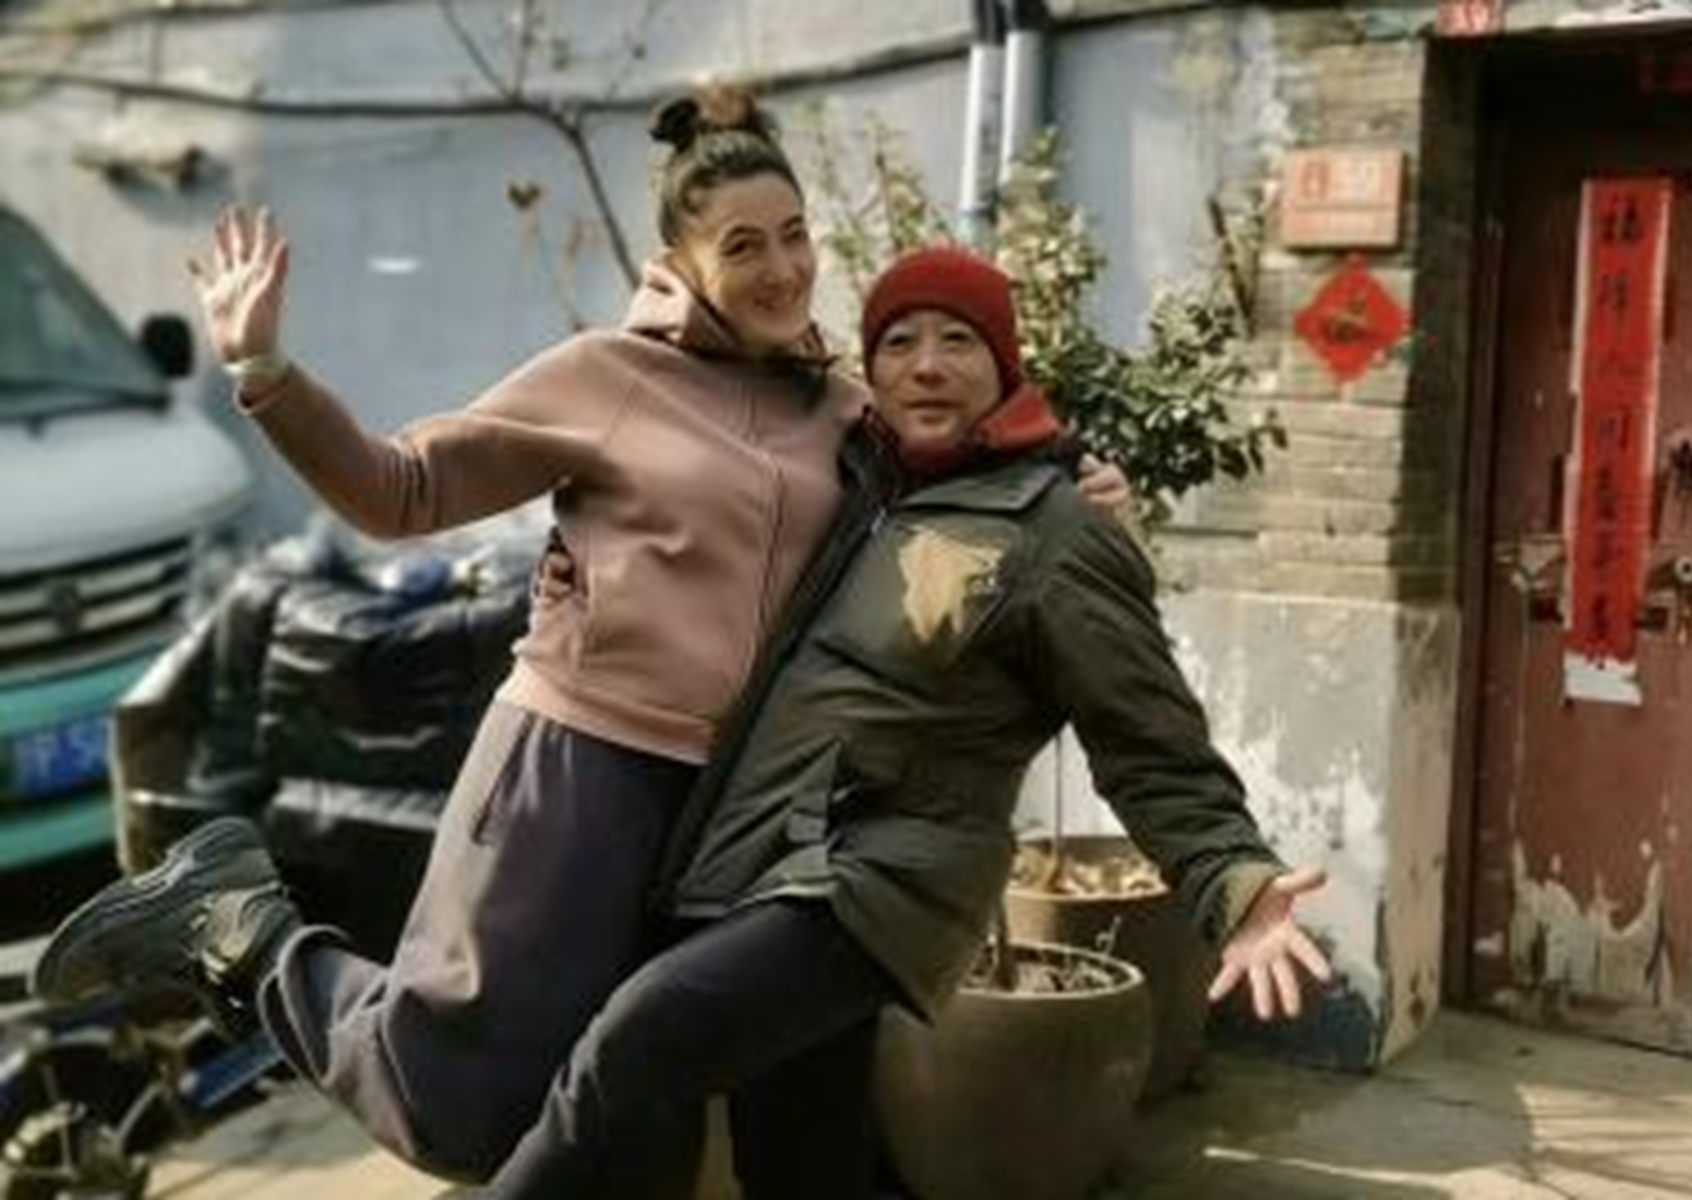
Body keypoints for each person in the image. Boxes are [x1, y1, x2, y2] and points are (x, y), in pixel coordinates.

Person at [30, 91, 1125, 1190]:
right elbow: (402, 487)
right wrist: (266, 374)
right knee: (456, 1101)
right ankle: (243, 927)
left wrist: (1077, 489)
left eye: (794, 236)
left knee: (632, 1122)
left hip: (732, 813)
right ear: (682, 262)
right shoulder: (605, 379)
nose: (782, 269)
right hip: (575, 770)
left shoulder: (842, 411)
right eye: (741, 246)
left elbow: (960, 475)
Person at [470, 245, 1335, 1199]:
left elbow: (1147, 736)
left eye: (958, 340)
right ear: (868, 372)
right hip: (763, 864)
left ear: (1004, 365)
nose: (927, 364)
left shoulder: (1055, 529)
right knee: (803, 1157)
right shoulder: (850, 491)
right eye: (901, 342)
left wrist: (1233, 880)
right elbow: (737, 384)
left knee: (641, 1036)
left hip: (878, 883)